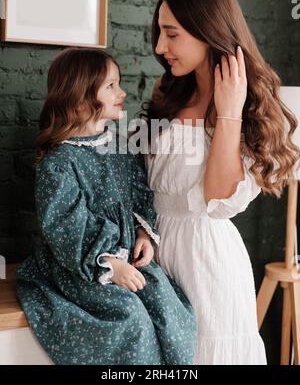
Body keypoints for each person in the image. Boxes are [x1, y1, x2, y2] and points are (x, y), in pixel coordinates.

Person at [140, 0, 300, 365]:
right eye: (160, 34)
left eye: (171, 34)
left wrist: (228, 112)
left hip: (206, 263)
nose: (161, 47)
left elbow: (217, 199)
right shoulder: (170, 90)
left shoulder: (248, 105)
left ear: (206, 31)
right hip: (155, 253)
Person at [16, 47, 196, 365]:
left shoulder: (119, 145)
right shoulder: (60, 163)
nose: (122, 92)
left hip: (127, 256)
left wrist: (143, 234)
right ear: (82, 97)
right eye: (111, 86)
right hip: (82, 267)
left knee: (167, 304)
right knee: (130, 319)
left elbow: (141, 194)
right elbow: (66, 226)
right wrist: (111, 265)